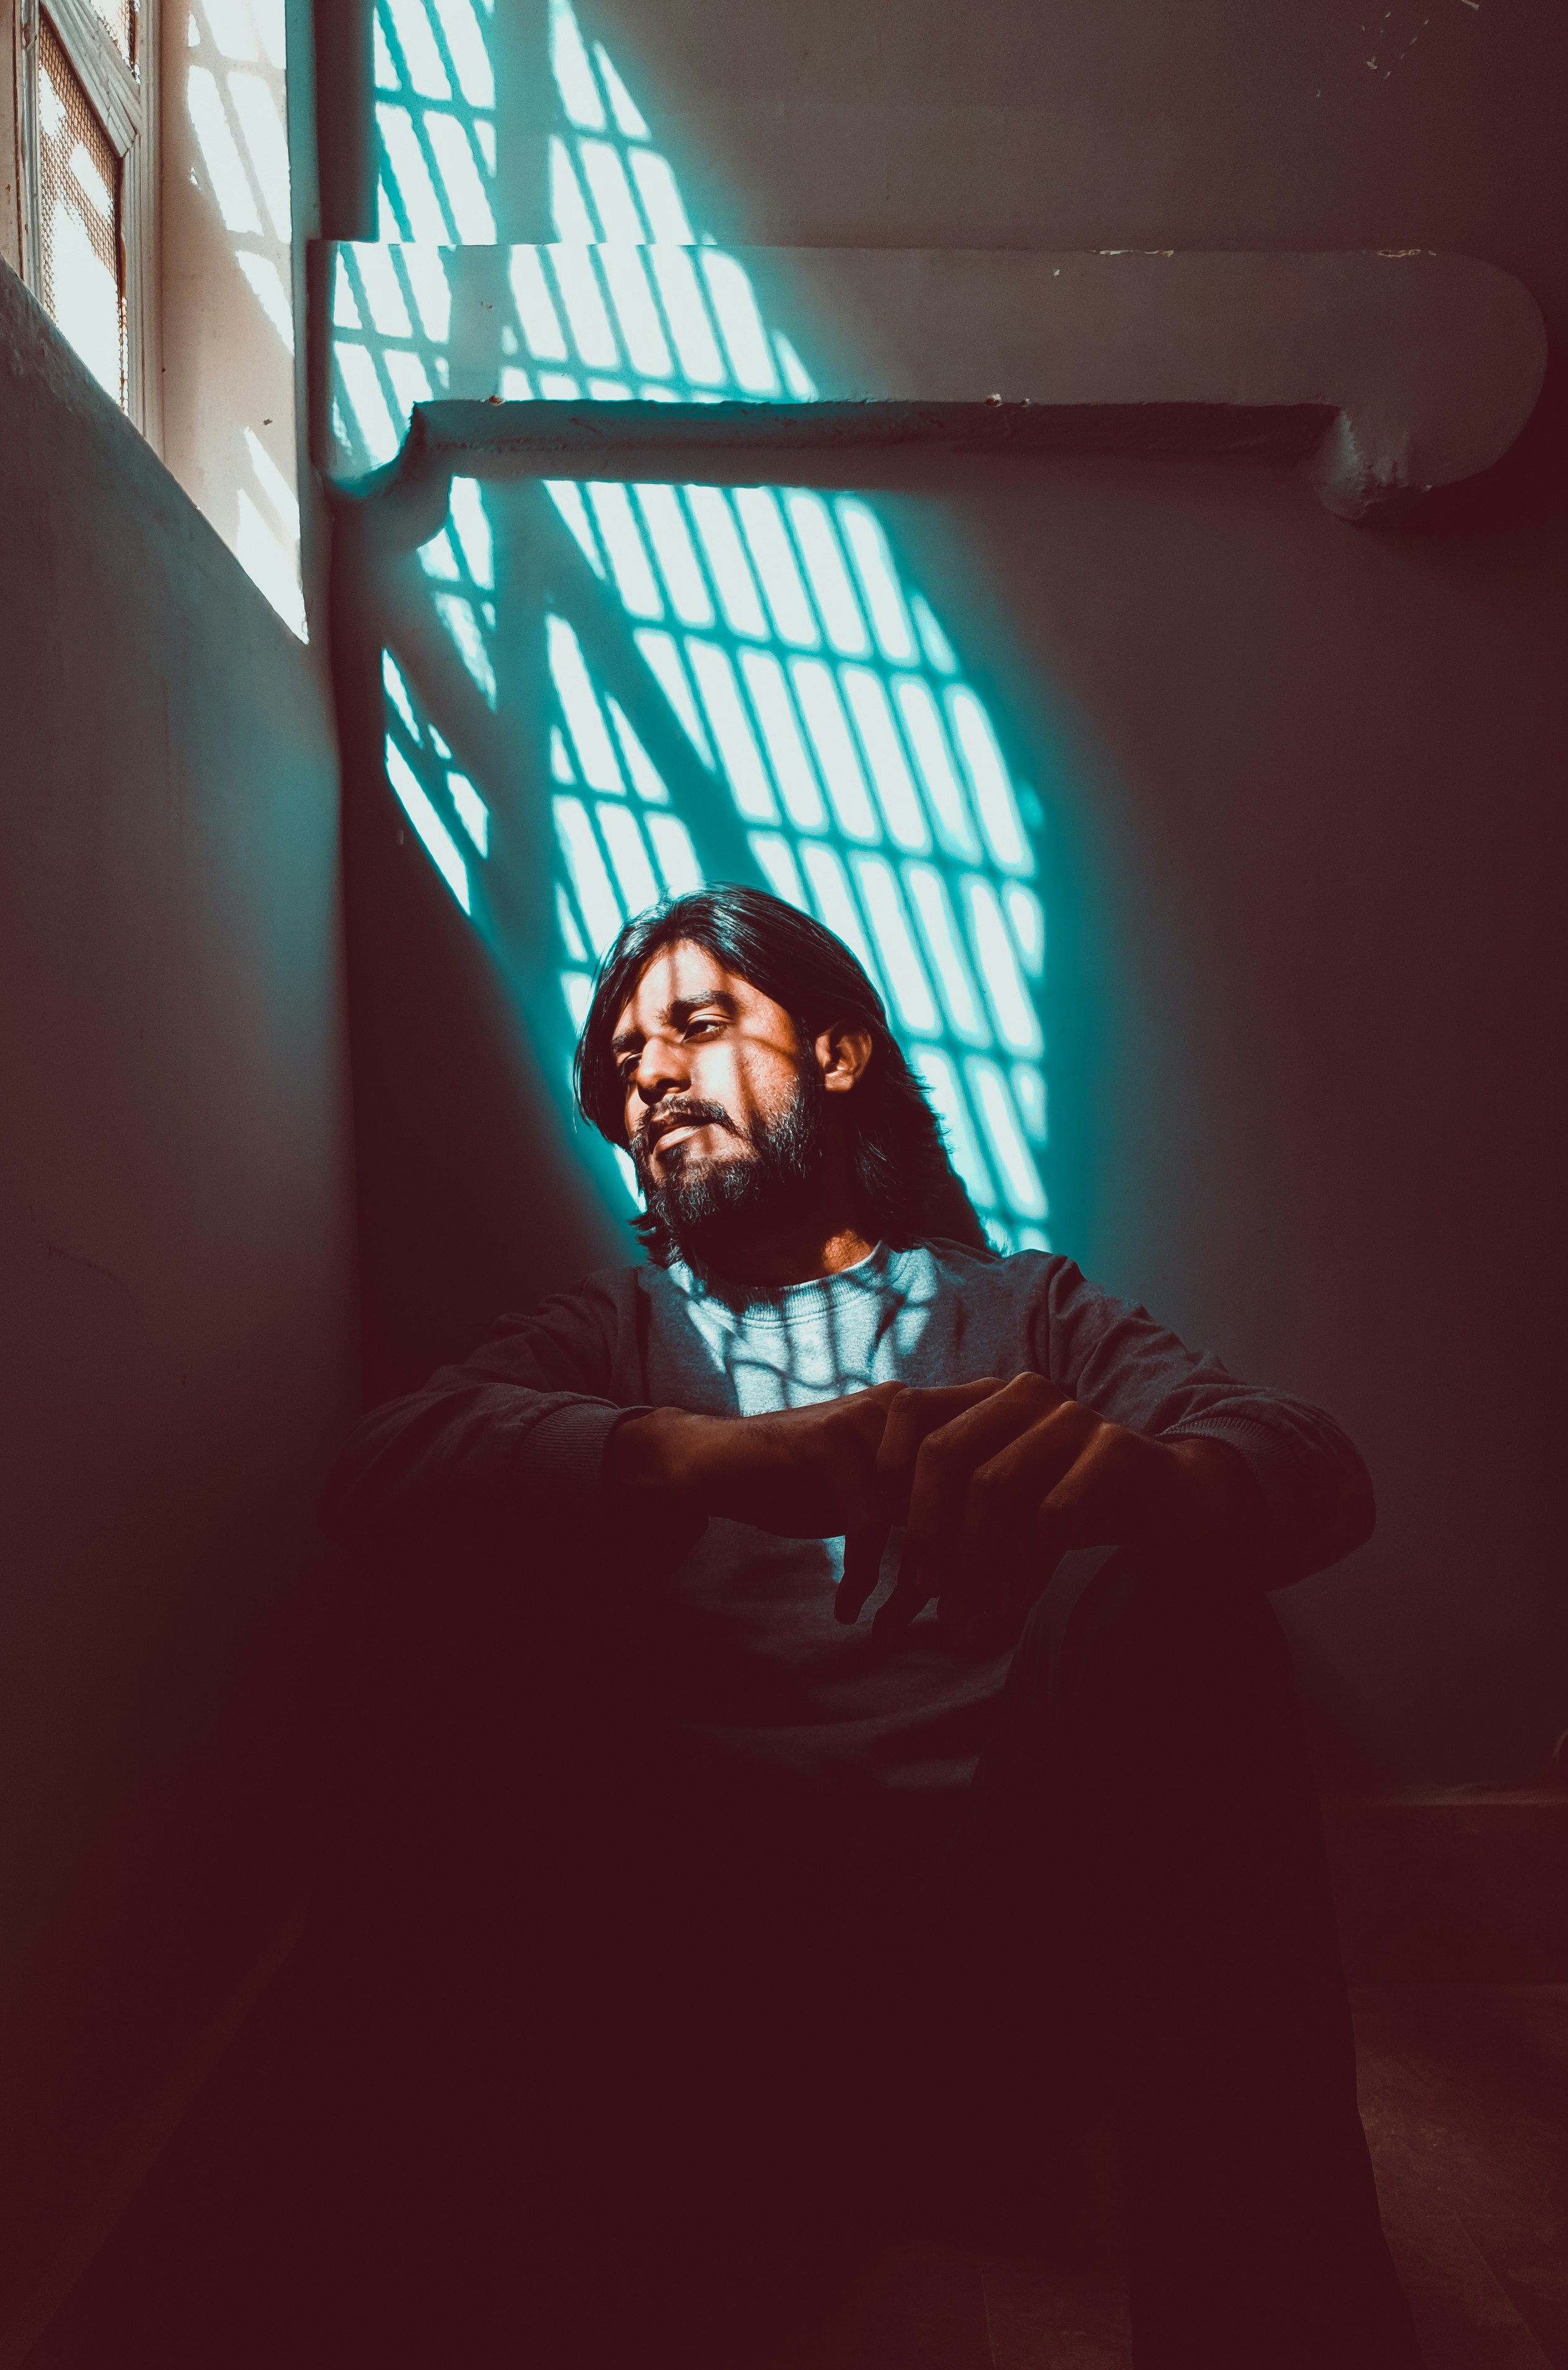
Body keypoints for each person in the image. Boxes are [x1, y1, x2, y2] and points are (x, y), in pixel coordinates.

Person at [322, 885, 1421, 2369]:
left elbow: (1311, 1461)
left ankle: (1283, 2334)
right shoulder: (613, 1333)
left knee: (1182, 1595)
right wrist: (704, 1457)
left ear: (837, 1054)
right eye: (624, 1062)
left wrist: (1157, 1485)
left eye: (698, 1026)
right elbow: (387, 1451)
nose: (648, 1076)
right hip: (686, 1980)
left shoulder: (1024, 1311)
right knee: (460, 1557)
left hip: (999, 1972)